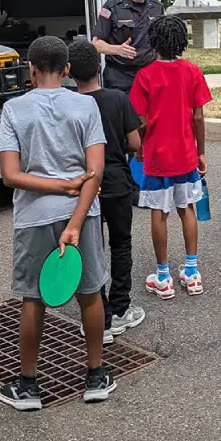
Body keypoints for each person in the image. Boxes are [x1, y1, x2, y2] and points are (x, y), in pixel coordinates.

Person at [0, 37, 114, 410]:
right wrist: (75, 218)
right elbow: (94, 173)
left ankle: (28, 386)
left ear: (30, 67)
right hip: (83, 213)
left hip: (33, 217)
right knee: (90, 293)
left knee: (34, 297)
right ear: (67, 70)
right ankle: (95, 376)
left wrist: (53, 186)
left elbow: (10, 175)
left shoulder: (14, 109)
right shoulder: (85, 106)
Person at [68, 41, 146, 342]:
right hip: (116, 181)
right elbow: (135, 143)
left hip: (83, 184)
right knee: (121, 243)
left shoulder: (69, 103)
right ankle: (120, 309)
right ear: (99, 68)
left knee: (91, 247)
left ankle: (97, 313)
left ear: (68, 72)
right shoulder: (117, 99)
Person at [130, 15, 213, 298]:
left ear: (153, 41)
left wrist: (139, 148)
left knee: (159, 213)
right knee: (187, 208)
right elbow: (198, 116)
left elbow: (140, 120)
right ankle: (192, 272)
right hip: (186, 154)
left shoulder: (145, 76)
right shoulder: (192, 71)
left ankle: (162, 276)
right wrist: (200, 151)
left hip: (157, 156)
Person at [91, 0, 165, 92]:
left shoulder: (157, 8)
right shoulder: (111, 8)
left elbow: (163, 42)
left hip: (150, 73)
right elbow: (96, 44)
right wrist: (117, 50)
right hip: (120, 77)